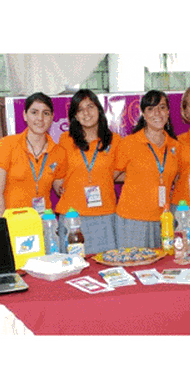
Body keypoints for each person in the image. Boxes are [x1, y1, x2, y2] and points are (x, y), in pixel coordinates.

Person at [54, 89, 121, 255]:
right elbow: (57, 172)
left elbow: (123, 171)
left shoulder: (115, 141)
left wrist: (103, 178)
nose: (86, 113)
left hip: (105, 215)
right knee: (73, 265)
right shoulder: (65, 140)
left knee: (107, 264)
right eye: (80, 109)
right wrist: (57, 185)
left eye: (90, 106)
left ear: (99, 109)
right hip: (73, 216)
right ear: (75, 116)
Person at [115, 90, 179, 249]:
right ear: (143, 114)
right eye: (151, 108)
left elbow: (176, 178)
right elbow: (112, 175)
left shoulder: (175, 146)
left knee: (164, 262)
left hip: (164, 218)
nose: (157, 113)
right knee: (135, 262)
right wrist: (136, 176)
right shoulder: (129, 143)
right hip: (133, 220)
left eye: (162, 107)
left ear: (168, 112)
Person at [0, 92, 66, 217]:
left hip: (43, 222)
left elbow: (60, 187)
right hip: (13, 222)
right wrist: (3, 225)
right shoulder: (6, 145)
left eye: (46, 113)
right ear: (25, 115)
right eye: (34, 112)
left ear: (52, 117)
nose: (40, 118)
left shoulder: (59, 152)